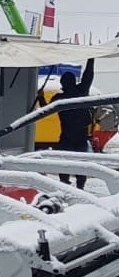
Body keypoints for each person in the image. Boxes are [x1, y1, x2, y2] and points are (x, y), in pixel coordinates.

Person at [55, 59, 96, 189]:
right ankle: (80, 187)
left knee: (64, 162)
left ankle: (64, 183)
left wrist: (40, 97)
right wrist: (91, 58)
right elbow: (88, 75)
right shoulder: (81, 91)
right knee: (80, 163)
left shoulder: (58, 98)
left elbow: (46, 108)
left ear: (62, 83)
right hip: (80, 136)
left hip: (66, 135)